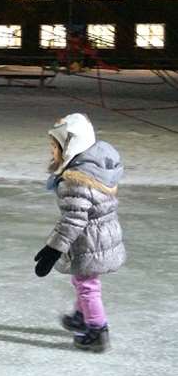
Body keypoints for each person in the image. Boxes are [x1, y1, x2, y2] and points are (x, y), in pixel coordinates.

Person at [34, 113, 124, 352]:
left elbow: (74, 219)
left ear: (71, 146)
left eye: (55, 147)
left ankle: (96, 330)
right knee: (83, 279)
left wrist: (53, 248)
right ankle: (82, 315)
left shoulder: (75, 180)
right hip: (101, 235)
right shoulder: (94, 168)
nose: (51, 151)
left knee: (87, 283)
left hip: (89, 240)